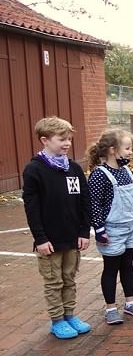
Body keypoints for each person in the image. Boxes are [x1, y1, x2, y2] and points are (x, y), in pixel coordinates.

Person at [22, 117, 92, 339]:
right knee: (54, 281)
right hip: (49, 241)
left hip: (72, 237)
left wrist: (83, 231)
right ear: (44, 140)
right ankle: (57, 320)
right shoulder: (34, 169)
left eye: (69, 139)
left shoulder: (73, 168)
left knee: (69, 278)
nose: (67, 143)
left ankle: (70, 314)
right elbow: (32, 208)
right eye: (62, 139)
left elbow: (84, 202)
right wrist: (40, 239)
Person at [88, 129, 133, 325]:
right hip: (112, 229)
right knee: (111, 268)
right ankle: (111, 308)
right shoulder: (100, 175)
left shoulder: (127, 172)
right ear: (113, 150)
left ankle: (130, 303)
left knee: (127, 265)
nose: (130, 152)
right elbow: (94, 204)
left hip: (130, 226)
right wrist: (99, 229)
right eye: (127, 148)